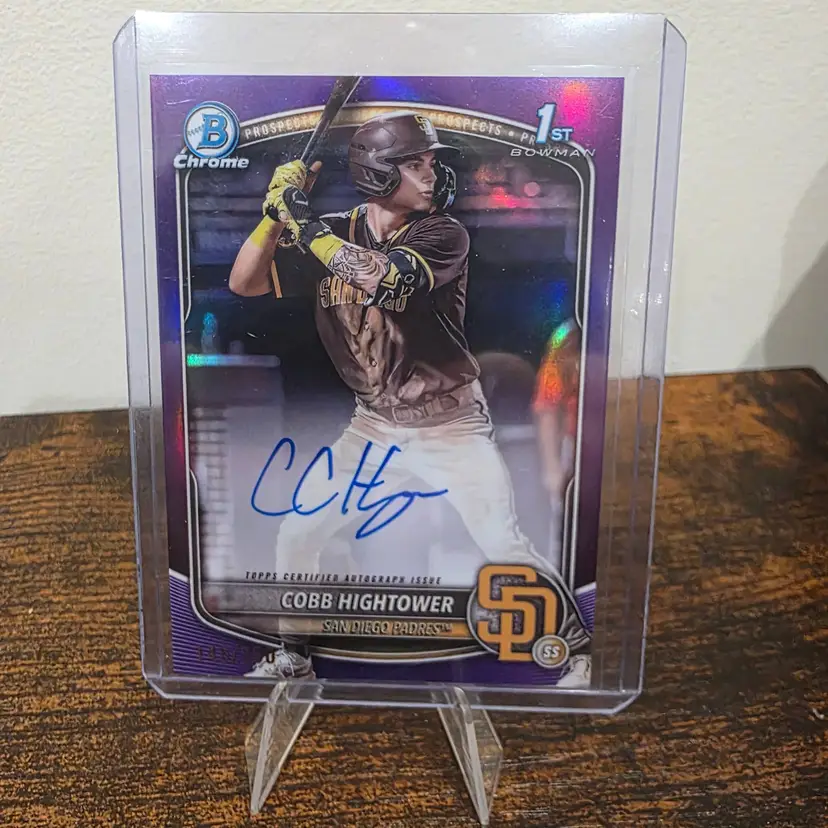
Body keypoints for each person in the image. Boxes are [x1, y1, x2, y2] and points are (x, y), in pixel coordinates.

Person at [228, 111, 590, 683]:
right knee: (298, 531)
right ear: (377, 172)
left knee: (500, 541)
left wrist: (305, 223)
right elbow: (244, 282)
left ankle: (578, 651)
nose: (431, 175)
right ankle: (294, 657)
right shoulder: (334, 231)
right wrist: (275, 217)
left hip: (450, 424)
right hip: (373, 426)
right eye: (414, 165)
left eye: (430, 164)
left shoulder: (443, 234)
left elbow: (387, 280)